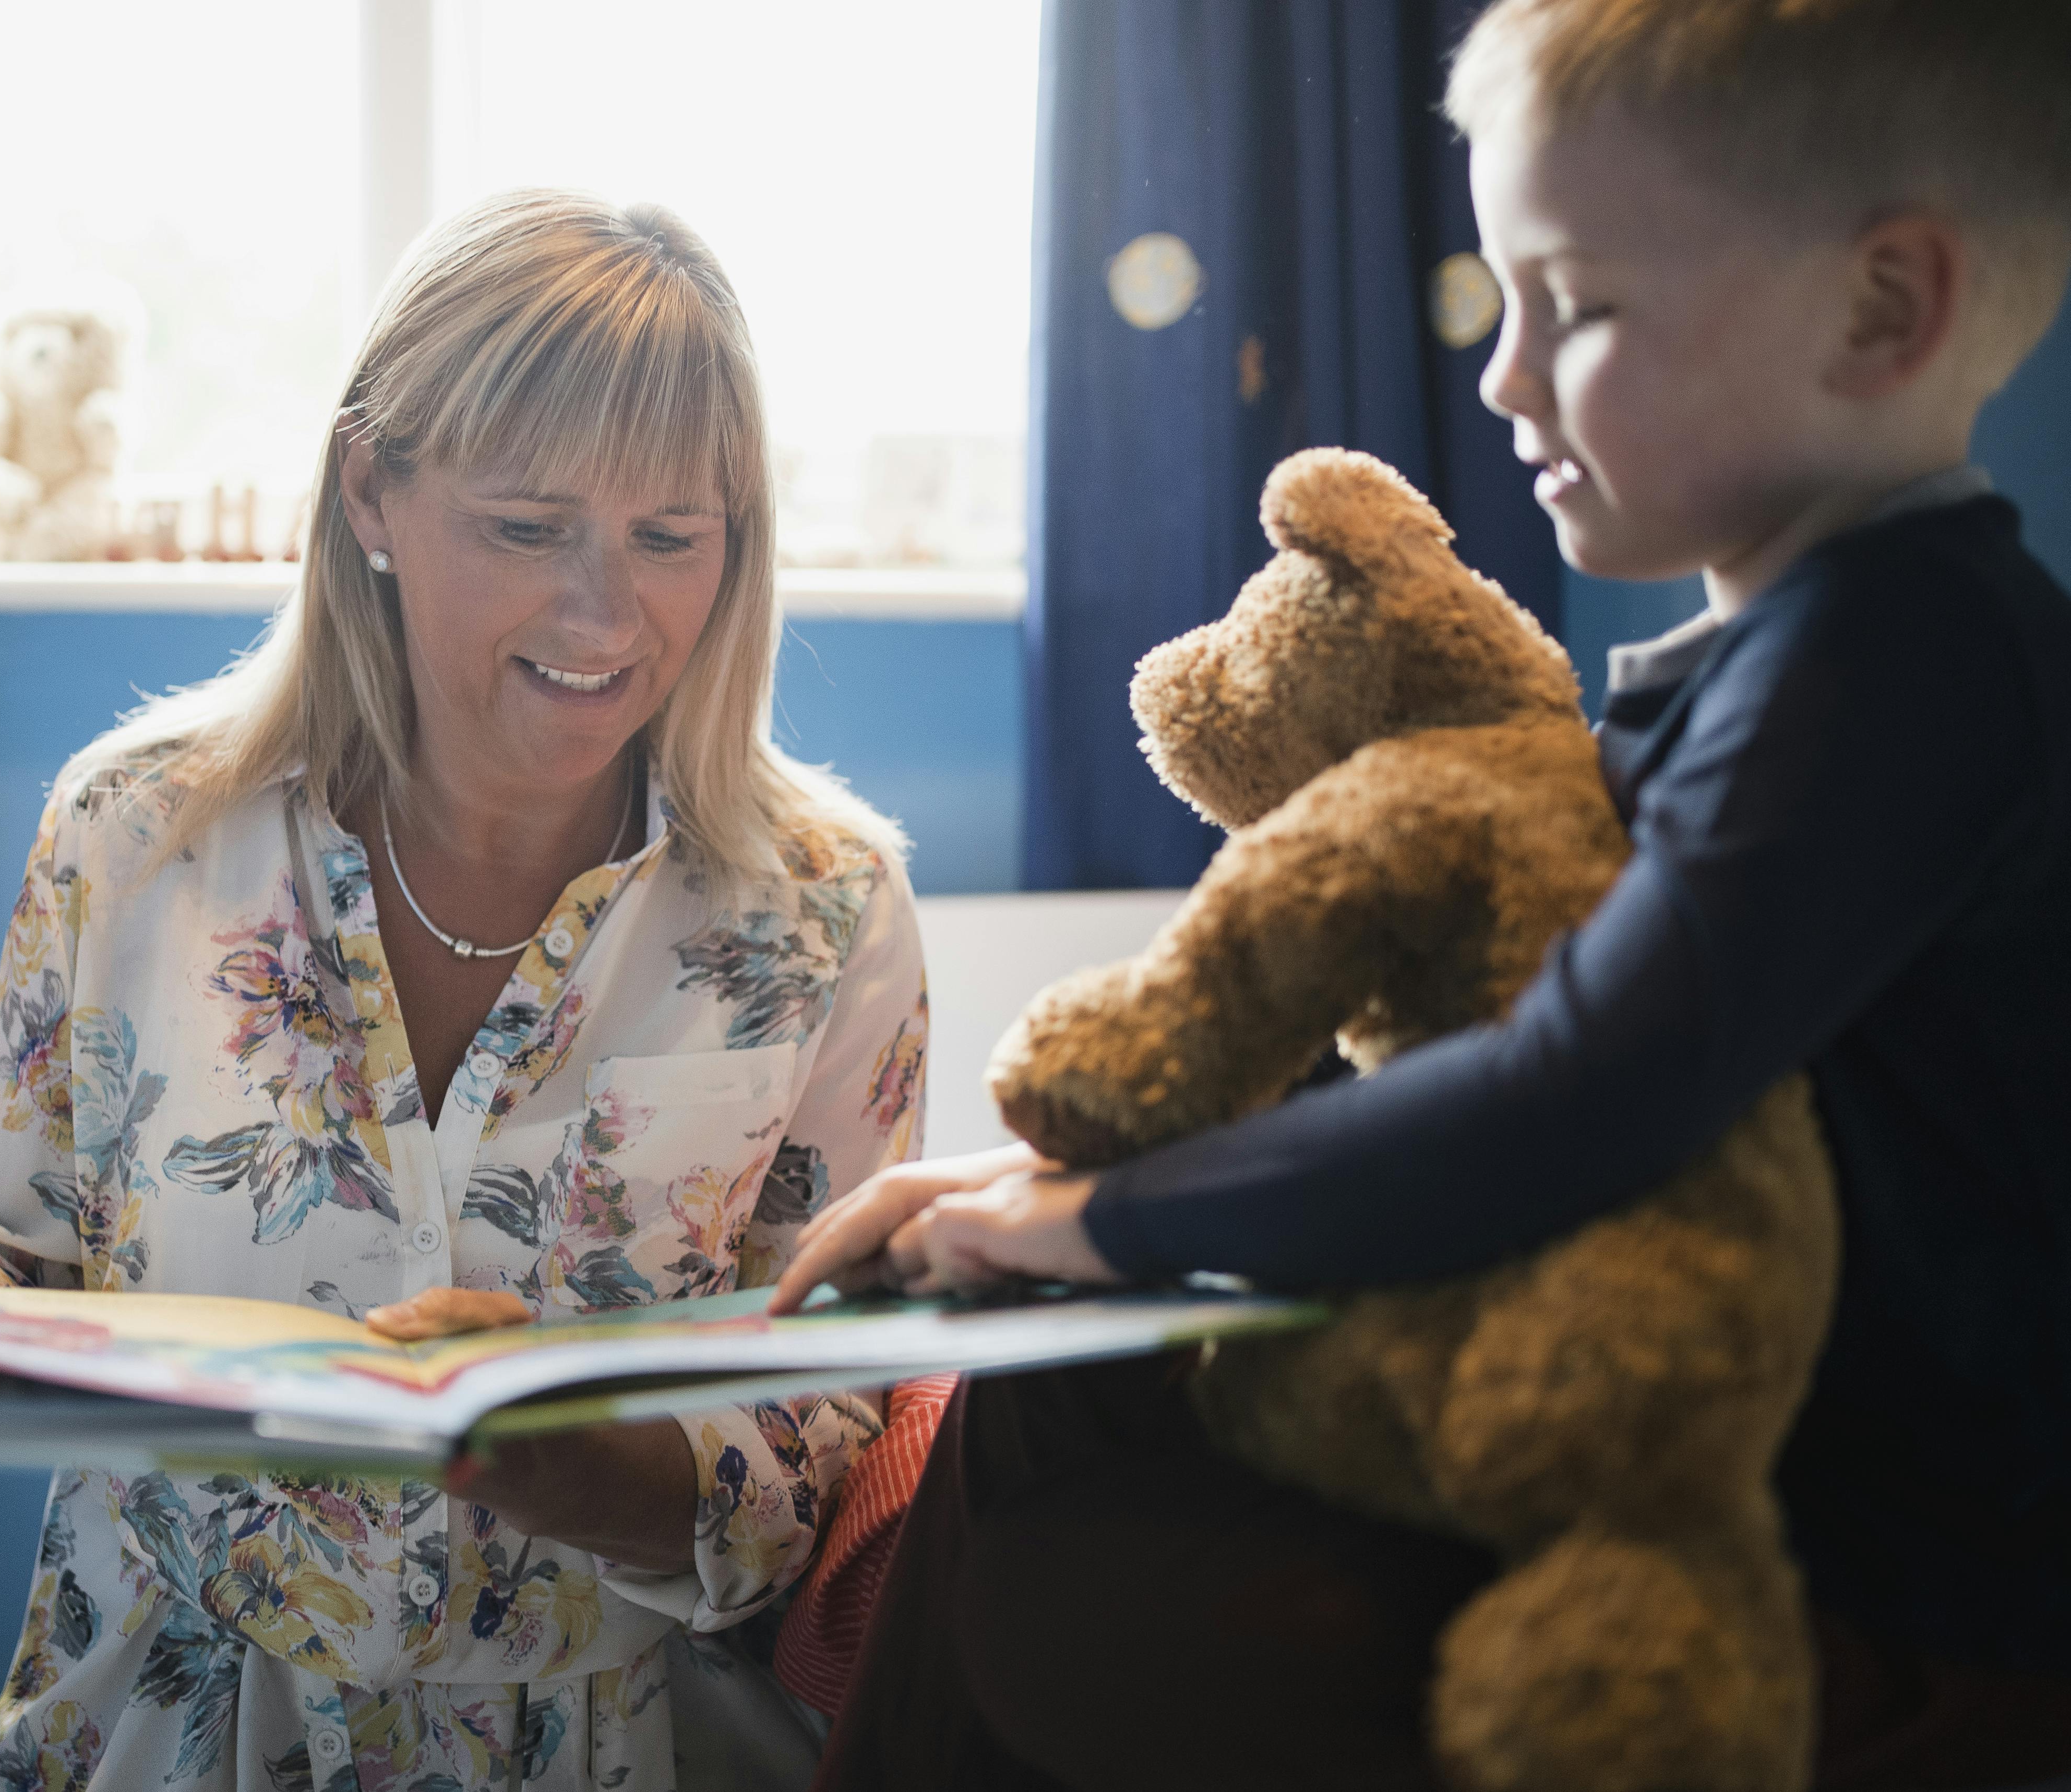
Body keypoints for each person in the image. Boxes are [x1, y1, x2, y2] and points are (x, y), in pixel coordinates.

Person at [776, 2, 2071, 1786]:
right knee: (1040, 1381)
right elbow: (1488, 1022)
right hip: (1709, 1457)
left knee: (1081, 1601)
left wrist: (1108, 1215)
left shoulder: (1906, 665)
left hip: (1872, 1578)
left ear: (1882, 309)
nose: (1501, 377)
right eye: (1503, 297)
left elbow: (1582, 1084)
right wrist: (1060, 1188)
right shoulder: (1784, 659)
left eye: (1580, 305)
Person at [0, 190, 927, 1792]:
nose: (603, 612)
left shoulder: (826, 908)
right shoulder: (138, 832)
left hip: (611, 1744)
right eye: (528, 525)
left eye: (670, 536)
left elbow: (836, 1445)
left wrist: (595, 1471)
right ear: (372, 487)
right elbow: (25, 1291)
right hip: (167, 1724)